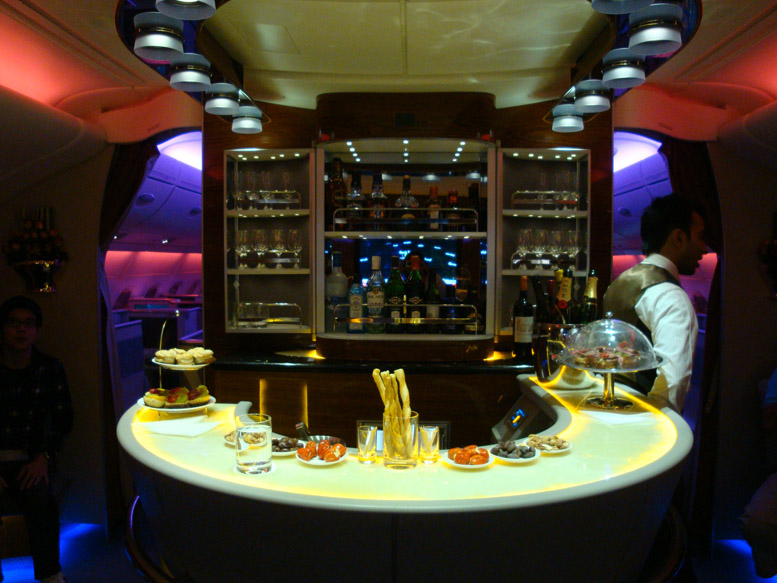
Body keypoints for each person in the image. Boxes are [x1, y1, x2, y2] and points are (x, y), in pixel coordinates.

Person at [603, 193, 708, 412]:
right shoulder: (671, 297)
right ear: (678, 238)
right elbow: (672, 382)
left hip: (605, 403)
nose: (705, 248)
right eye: (700, 237)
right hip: (637, 419)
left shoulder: (619, 283)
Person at [0, 296, 73, 583]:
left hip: (32, 457)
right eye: (14, 323)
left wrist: (45, 457)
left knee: (42, 501)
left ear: (36, 330)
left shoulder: (49, 368)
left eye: (28, 324)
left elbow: (63, 419)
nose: (22, 329)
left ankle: (50, 573)